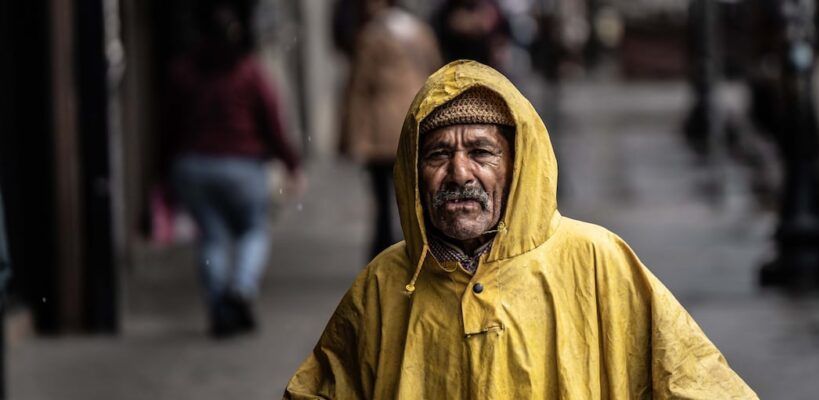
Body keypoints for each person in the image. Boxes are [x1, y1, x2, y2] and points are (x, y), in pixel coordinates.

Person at [283, 60, 756, 399]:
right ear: (413, 172)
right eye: (438, 154)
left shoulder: (597, 260)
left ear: (515, 165)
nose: (460, 173)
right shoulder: (383, 285)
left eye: (482, 152)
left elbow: (697, 381)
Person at [160, 0, 305, 338]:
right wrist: (291, 163)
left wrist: (164, 171)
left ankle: (217, 305)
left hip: (194, 166)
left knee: (212, 236)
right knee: (254, 230)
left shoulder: (183, 71)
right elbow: (272, 121)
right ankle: (240, 289)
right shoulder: (249, 71)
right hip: (243, 165)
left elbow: (167, 127)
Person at [338, 0, 441, 257]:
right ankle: (421, 247)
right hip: (416, 118)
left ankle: (384, 255)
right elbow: (436, 69)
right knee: (417, 193)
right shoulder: (419, 31)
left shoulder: (372, 35)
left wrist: (349, 136)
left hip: (381, 127)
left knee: (383, 199)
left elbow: (359, 86)